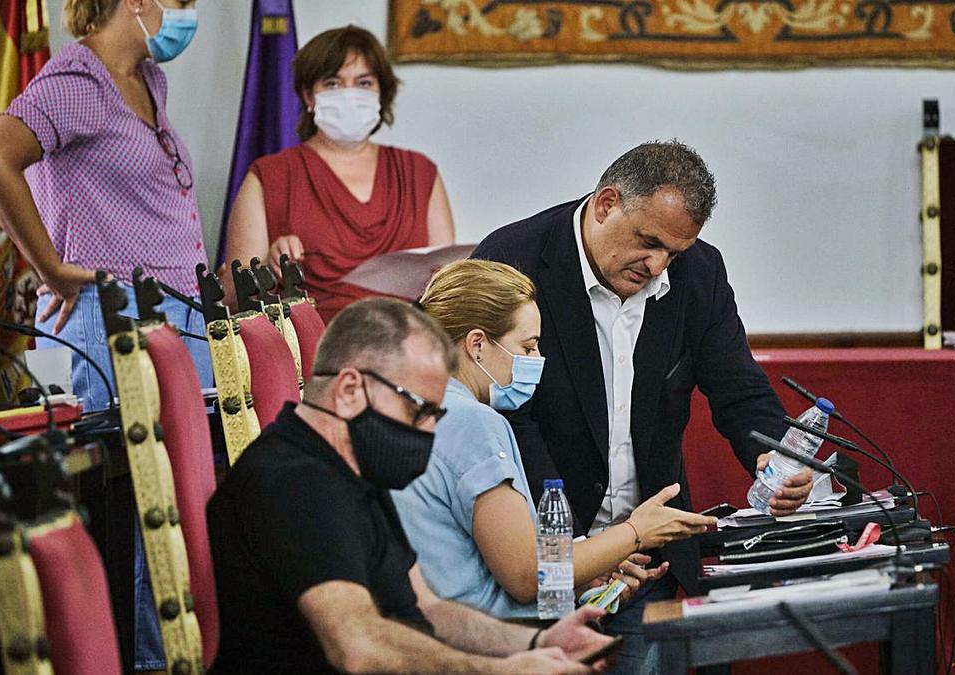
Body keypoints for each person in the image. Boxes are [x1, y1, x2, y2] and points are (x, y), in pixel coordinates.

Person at [473, 140, 815, 673]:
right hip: (547, 560)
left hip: (652, 565)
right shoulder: (514, 259)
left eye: (673, 253)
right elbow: (505, 417)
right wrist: (582, 550)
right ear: (608, 203)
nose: (657, 266)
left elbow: (740, 389)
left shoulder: (698, 272)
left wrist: (773, 457)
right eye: (649, 242)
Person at [0, 0, 209, 670]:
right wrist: (49, 266)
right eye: (182, 1)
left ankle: (172, 655)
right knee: (137, 503)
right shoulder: (78, 82)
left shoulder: (148, 82)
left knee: (175, 503)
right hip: (113, 324)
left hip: (173, 315)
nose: (189, 14)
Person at [206, 299, 613, 673]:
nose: (430, 430)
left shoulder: (357, 466)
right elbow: (358, 646)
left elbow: (428, 609)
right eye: (418, 409)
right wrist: (502, 670)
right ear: (350, 391)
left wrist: (539, 641)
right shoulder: (295, 481)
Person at [393, 259, 714, 620]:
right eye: (528, 346)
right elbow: (526, 575)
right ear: (477, 344)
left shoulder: (408, 407)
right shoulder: (473, 421)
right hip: (491, 638)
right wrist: (638, 531)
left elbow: (472, 551)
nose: (538, 359)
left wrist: (584, 571)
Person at [221, 25, 454, 322]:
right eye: (332, 83)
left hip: (407, 350)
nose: (349, 94)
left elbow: (449, 286)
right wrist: (267, 265)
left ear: (382, 92)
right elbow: (230, 299)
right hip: (308, 357)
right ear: (308, 95)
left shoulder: (419, 172)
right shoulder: (269, 176)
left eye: (364, 82)